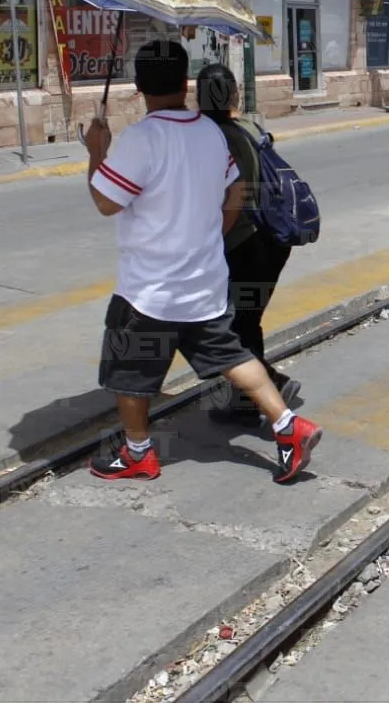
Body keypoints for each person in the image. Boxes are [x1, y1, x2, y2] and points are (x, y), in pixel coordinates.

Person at [83, 40, 322, 485]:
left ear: (139, 88)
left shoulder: (140, 139)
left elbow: (105, 202)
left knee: (129, 373)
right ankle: (290, 427)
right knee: (232, 355)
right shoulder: (210, 132)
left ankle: (138, 453)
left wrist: (96, 149)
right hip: (204, 283)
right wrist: (211, 233)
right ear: (183, 83)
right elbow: (234, 193)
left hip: (149, 292)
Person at [196, 64, 302, 423]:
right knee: (244, 322)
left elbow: (228, 198)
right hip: (271, 239)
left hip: (242, 243)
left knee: (236, 326)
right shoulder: (249, 127)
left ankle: (263, 397)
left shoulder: (207, 139)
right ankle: (261, 390)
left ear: (198, 99)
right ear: (234, 96)